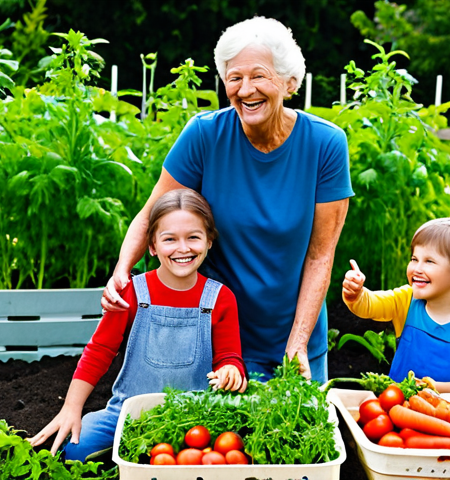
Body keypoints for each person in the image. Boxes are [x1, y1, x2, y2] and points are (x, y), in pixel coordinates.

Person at [101, 17, 353, 383]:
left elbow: (320, 255)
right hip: (215, 337)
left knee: (297, 436)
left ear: (289, 82)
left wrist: (297, 343)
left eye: (259, 76)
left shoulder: (325, 145)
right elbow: (152, 213)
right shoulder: (205, 135)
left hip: (293, 337)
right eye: (234, 77)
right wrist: (123, 268)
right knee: (215, 440)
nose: (245, 89)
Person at [30, 189, 246, 461]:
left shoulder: (221, 298)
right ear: (153, 246)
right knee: (75, 450)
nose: (183, 248)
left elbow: (229, 356)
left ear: (209, 241)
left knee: (230, 448)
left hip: (196, 417)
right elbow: (99, 350)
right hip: (128, 413)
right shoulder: (132, 292)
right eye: (170, 239)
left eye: (194, 237)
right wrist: (71, 408)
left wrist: (231, 370)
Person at [342, 218, 450, 396]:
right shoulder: (406, 301)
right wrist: (356, 294)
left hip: (446, 419)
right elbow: (370, 304)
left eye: (429, 261)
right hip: (395, 410)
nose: (417, 268)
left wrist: (436, 388)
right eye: (414, 259)